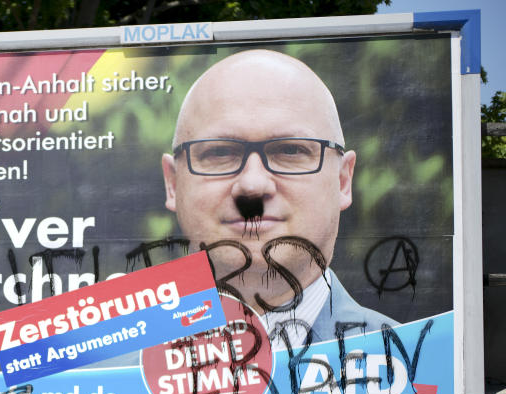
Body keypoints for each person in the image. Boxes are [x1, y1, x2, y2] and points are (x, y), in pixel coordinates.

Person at [161, 49, 396, 350]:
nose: (253, 185)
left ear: (343, 180)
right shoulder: (94, 372)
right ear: (173, 183)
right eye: (219, 152)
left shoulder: (422, 374)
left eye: (290, 151)